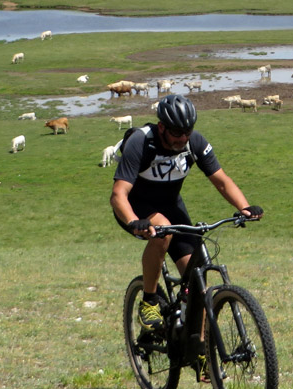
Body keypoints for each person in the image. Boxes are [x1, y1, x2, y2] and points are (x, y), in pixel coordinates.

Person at [111, 93, 261, 334]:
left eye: (187, 132)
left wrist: (243, 207)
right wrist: (132, 221)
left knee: (197, 286)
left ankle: (201, 357)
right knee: (162, 230)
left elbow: (221, 181)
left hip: (172, 206)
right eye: (176, 132)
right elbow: (118, 194)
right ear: (161, 127)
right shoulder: (140, 142)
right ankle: (149, 301)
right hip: (136, 207)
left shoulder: (195, 142)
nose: (182, 138)